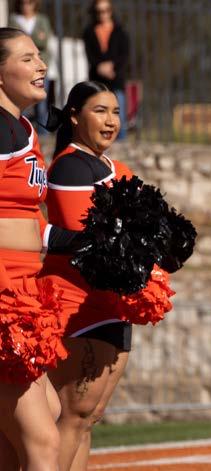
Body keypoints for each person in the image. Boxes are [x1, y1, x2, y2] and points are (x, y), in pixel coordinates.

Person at [39, 81, 132, 470]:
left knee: (87, 418)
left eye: (115, 112)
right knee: (73, 414)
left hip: (113, 301)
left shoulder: (113, 167)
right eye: (100, 111)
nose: (111, 121)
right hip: (77, 303)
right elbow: (88, 238)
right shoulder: (71, 166)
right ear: (75, 117)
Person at [0, 26, 59, 470]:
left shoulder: (23, 129)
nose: (40, 66)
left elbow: (29, 219)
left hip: (26, 287)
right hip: (3, 290)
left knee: (23, 434)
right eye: (26, 58)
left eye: (39, 56)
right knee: (42, 440)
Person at [83, 0, 129, 139]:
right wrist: (99, 67)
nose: (102, 14)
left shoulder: (120, 31)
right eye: (99, 11)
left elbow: (124, 55)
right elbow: (89, 55)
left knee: (119, 116)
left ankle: (121, 143)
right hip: (97, 80)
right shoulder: (89, 32)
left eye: (105, 10)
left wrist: (112, 67)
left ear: (111, 11)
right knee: (99, 116)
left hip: (116, 79)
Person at [8, 0, 53, 130]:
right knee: (21, 99)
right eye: (23, 3)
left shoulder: (42, 19)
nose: (26, 6)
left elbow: (44, 41)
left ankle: (43, 132)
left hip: (40, 67)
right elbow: (12, 43)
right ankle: (20, 130)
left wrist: (24, 39)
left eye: (29, 3)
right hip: (21, 68)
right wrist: (36, 37)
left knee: (41, 102)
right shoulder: (14, 19)